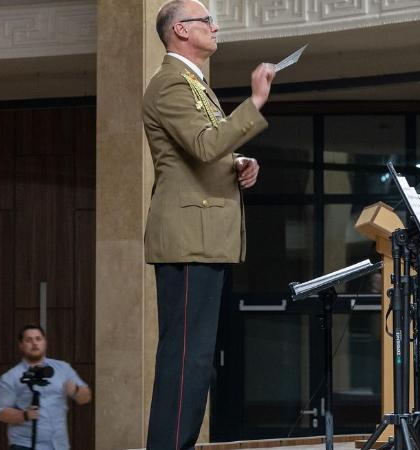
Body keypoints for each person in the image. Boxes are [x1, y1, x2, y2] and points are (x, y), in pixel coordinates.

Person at [142, 1, 275, 448]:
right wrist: (255, 101)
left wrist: (237, 161)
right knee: (185, 360)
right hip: (186, 238)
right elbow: (203, 146)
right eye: (206, 21)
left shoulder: (194, 83)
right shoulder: (168, 84)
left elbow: (208, 151)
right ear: (180, 29)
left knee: (196, 360)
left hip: (204, 237)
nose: (216, 27)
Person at [0, 325, 92, 450]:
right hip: (25, 445)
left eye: (38, 339)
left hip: (59, 444)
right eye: (28, 340)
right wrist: (24, 415)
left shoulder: (63, 368)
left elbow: (86, 397)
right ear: (21, 345)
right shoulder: (11, 377)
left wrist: (76, 390)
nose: (34, 343)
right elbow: (0, 412)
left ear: (45, 342)